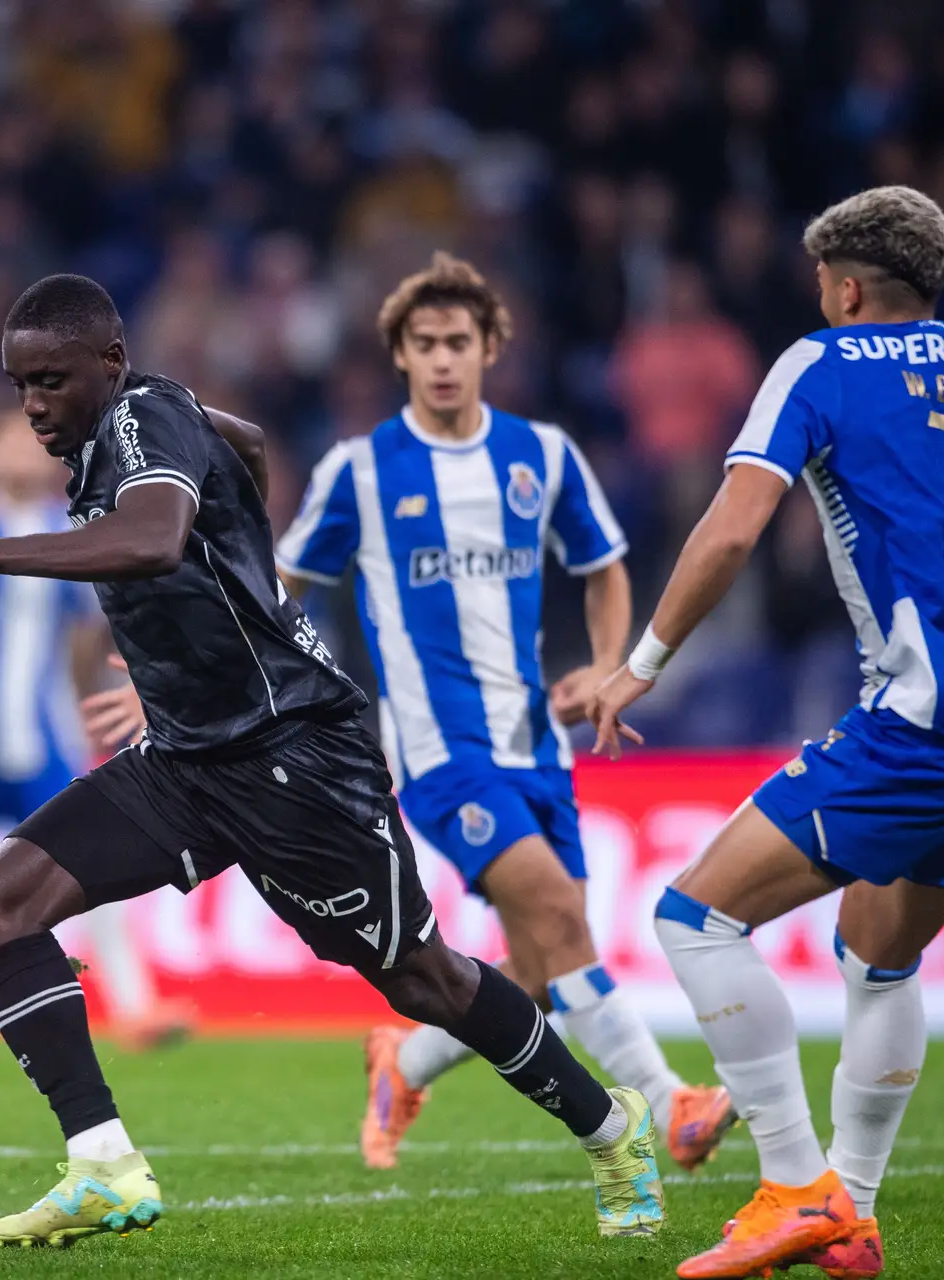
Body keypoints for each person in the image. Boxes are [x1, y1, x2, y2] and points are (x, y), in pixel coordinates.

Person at [0, 273, 665, 1248]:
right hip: (188, 760)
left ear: (109, 366)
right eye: (20, 384)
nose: (34, 404)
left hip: (298, 753)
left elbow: (157, 537)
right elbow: (240, 446)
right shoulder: (133, 425)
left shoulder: (138, 413)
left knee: (424, 980)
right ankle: (103, 1163)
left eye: (52, 381)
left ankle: (613, 1125)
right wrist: (232, 522)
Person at [588, 186, 944, 1280]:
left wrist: (639, 663)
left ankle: (796, 1183)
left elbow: (733, 524)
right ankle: (858, 1213)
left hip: (924, 713)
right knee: (878, 959)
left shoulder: (821, 362)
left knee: (693, 914)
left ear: (843, 286)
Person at [270, 253, 735, 1173]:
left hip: (536, 745)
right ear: (400, 355)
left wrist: (607, 666)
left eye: (459, 342)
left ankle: (403, 1061)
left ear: (490, 348)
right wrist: (198, 659)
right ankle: (672, 1105)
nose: (443, 359)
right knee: (563, 918)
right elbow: (281, 588)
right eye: (424, 344)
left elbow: (603, 565)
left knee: (540, 968)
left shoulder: (543, 455)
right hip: (439, 754)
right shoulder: (360, 472)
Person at [0, 407, 189, 1058]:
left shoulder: (69, 529)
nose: (19, 448)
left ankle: (133, 1008)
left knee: (94, 858)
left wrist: (83, 700)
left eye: (29, 439)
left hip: (42, 731)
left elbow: (87, 628)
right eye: (5, 436)